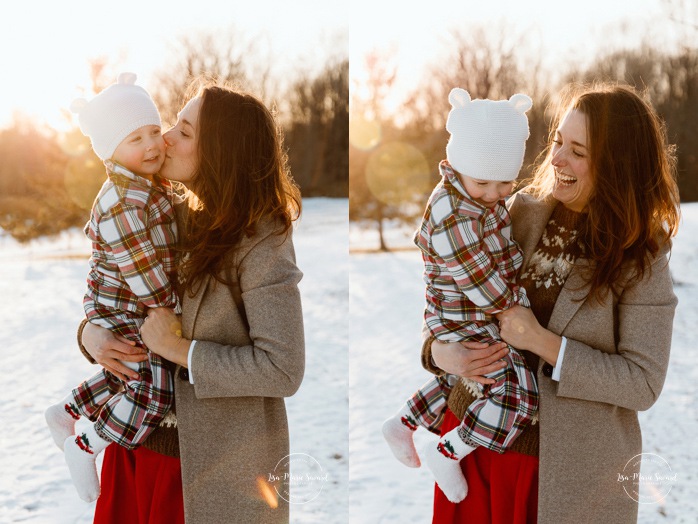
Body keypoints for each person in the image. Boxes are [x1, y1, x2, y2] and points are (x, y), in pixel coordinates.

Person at [423, 83, 680, 524]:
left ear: (617, 166)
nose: (556, 158)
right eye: (558, 141)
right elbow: (448, 289)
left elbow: (642, 382)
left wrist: (543, 342)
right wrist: (438, 352)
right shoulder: (514, 211)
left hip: (562, 477)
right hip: (471, 445)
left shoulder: (643, 255)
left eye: (577, 151)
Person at [78, 80, 305, 524]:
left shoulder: (262, 241)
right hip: (137, 448)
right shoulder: (163, 216)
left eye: (183, 131)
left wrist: (177, 348)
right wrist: (90, 334)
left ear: (220, 152)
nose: (164, 138)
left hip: (210, 472)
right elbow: (111, 289)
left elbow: (283, 368)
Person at [381, 88, 538, 503]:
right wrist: (516, 304)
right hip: (462, 311)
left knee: (465, 374)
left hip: (467, 312)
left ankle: (404, 422)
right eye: (483, 182)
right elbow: (481, 283)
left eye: (506, 182)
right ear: (456, 164)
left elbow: (503, 250)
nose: (494, 192)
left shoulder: (482, 202)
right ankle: (449, 449)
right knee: (516, 391)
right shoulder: (451, 211)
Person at [45, 72, 179, 502]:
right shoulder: (121, 200)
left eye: (155, 131)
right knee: (153, 391)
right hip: (124, 303)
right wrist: (170, 307)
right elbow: (143, 271)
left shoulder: (146, 188)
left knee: (128, 373)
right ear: (111, 151)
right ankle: (86, 445)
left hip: (123, 303)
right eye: (135, 139)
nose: (152, 144)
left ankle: (68, 411)